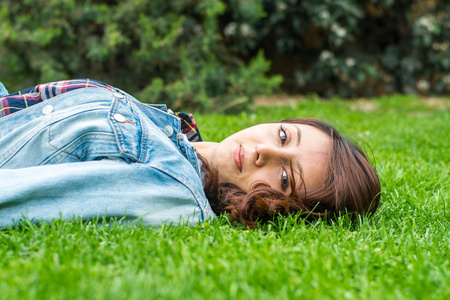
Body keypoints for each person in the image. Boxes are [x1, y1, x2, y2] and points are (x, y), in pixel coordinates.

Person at [0, 79, 380, 228]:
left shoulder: (174, 188)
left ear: (283, 209)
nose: (264, 151)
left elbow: (18, 195)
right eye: (283, 135)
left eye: (285, 178)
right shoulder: (176, 132)